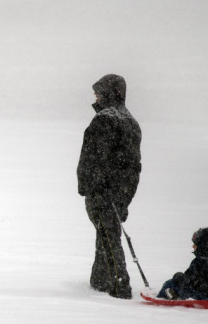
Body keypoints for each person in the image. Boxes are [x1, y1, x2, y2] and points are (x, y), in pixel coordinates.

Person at [77, 74, 142, 299]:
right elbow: (134, 166)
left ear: (109, 93)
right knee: (105, 233)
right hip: (121, 191)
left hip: (103, 190)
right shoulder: (130, 121)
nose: (95, 95)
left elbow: (93, 158)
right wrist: (124, 195)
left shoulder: (105, 119)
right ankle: (99, 281)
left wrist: (90, 185)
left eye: (98, 91)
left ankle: (119, 285)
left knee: (108, 236)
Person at [157, 227, 208, 302]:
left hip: (199, 297)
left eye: (195, 244)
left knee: (170, 283)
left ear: (204, 246)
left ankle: (161, 298)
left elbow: (187, 281)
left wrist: (178, 277)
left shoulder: (199, 262)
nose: (193, 246)